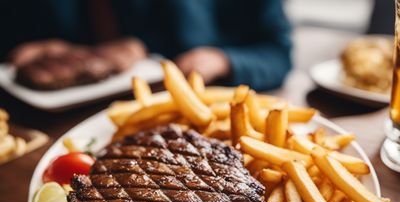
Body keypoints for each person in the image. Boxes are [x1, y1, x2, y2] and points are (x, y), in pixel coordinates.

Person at [0, 0, 292, 91]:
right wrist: (23, 49)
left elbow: (278, 52)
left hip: (197, 104)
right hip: (55, 121)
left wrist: (223, 60)